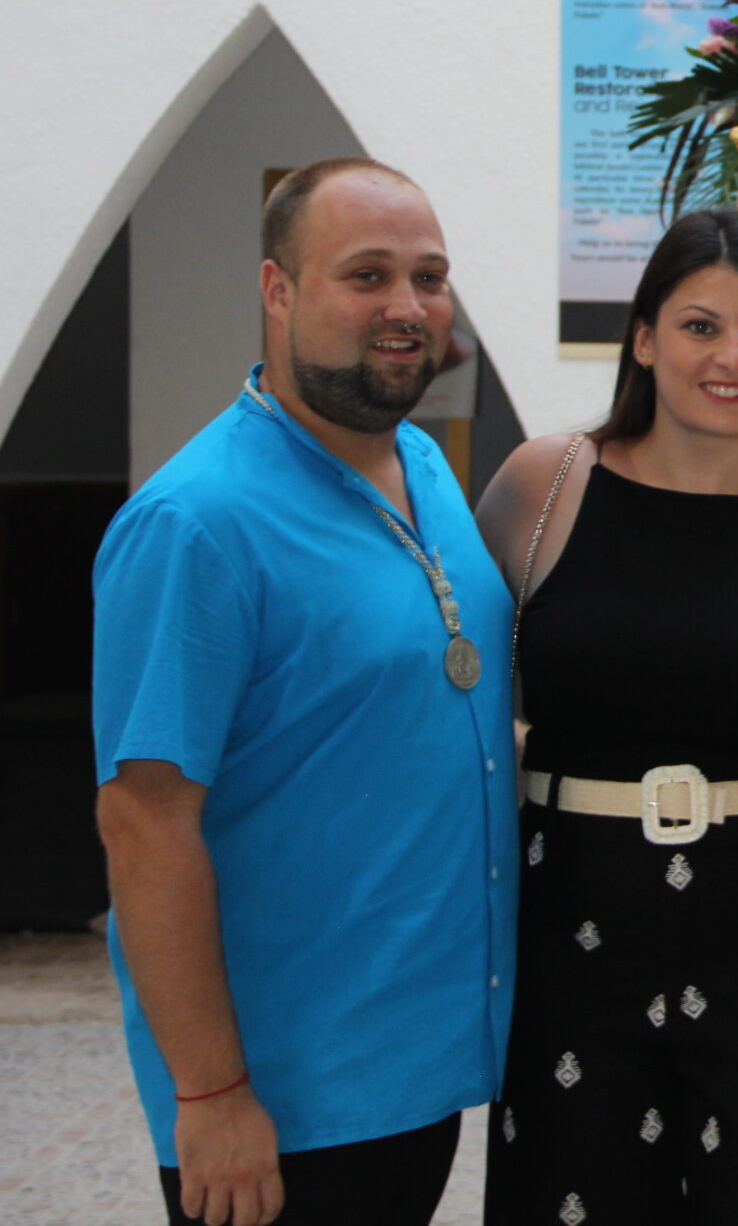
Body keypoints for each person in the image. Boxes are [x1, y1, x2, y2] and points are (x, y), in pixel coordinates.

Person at [92, 158, 517, 1226]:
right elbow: (144, 823)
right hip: (281, 1093)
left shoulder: (419, 464)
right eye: (366, 276)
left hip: (411, 1062)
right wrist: (212, 1092)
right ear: (278, 290)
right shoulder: (197, 524)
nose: (407, 308)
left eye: (429, 276)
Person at [477, 206, 738, 1225]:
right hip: (570, 936)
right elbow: (458, 705)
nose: (731, 357)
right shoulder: (543, 486)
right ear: (645, 338)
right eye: (700, 326)